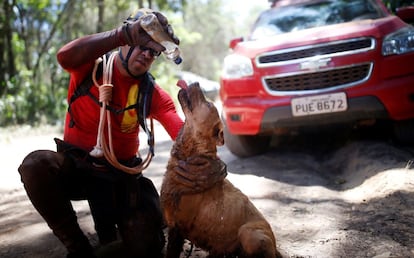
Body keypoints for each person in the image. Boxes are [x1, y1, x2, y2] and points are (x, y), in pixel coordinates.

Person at [18, 9, 226, 258]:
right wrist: (123, 34)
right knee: (35, 165)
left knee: (145, 245)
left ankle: (117, 236)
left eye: (154, 52)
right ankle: (79, 249)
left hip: (120, 177)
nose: (147, 54)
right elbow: (64, 57)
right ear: (126, 43)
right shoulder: (90, 69)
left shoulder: (153, 94)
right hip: (78, 169)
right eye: (141, 45)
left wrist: (211, 160)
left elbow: (183, 136)